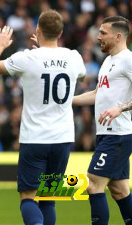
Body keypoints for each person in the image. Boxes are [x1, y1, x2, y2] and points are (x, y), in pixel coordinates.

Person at [0, 10, 86, 225]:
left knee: (28, 197)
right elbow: (81, 75)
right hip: (62, 139)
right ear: (60, 32)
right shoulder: (74, 57)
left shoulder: (27, 58)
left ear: (37, 30)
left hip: (35, 138)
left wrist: (0, 45)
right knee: (48, 198)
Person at [73, 16, 132, 225]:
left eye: (103, 33)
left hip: (118, 135)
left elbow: (118, 103)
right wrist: (66, 102)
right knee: (119, 190)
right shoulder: (108, 61)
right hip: (107, 133)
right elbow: (98, 93)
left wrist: (121, 107)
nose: (98, 37)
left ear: (118, 36)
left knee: (93, 185)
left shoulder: (128, 60)